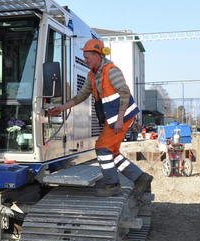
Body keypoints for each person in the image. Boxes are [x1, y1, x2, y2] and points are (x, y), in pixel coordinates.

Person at [47, 39, 153, 197]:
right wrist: (61, 108)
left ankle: (112, 185)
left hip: (122, 116)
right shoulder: (93, 75)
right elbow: (81, 96)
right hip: (115, 118)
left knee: (102, 148)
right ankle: (140, 178)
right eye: (84, 57)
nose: (85, 60)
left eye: (87, 57)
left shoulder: (111, 71)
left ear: (97, 55)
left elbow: (124, 92)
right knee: (112, 151)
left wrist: (119, 119)